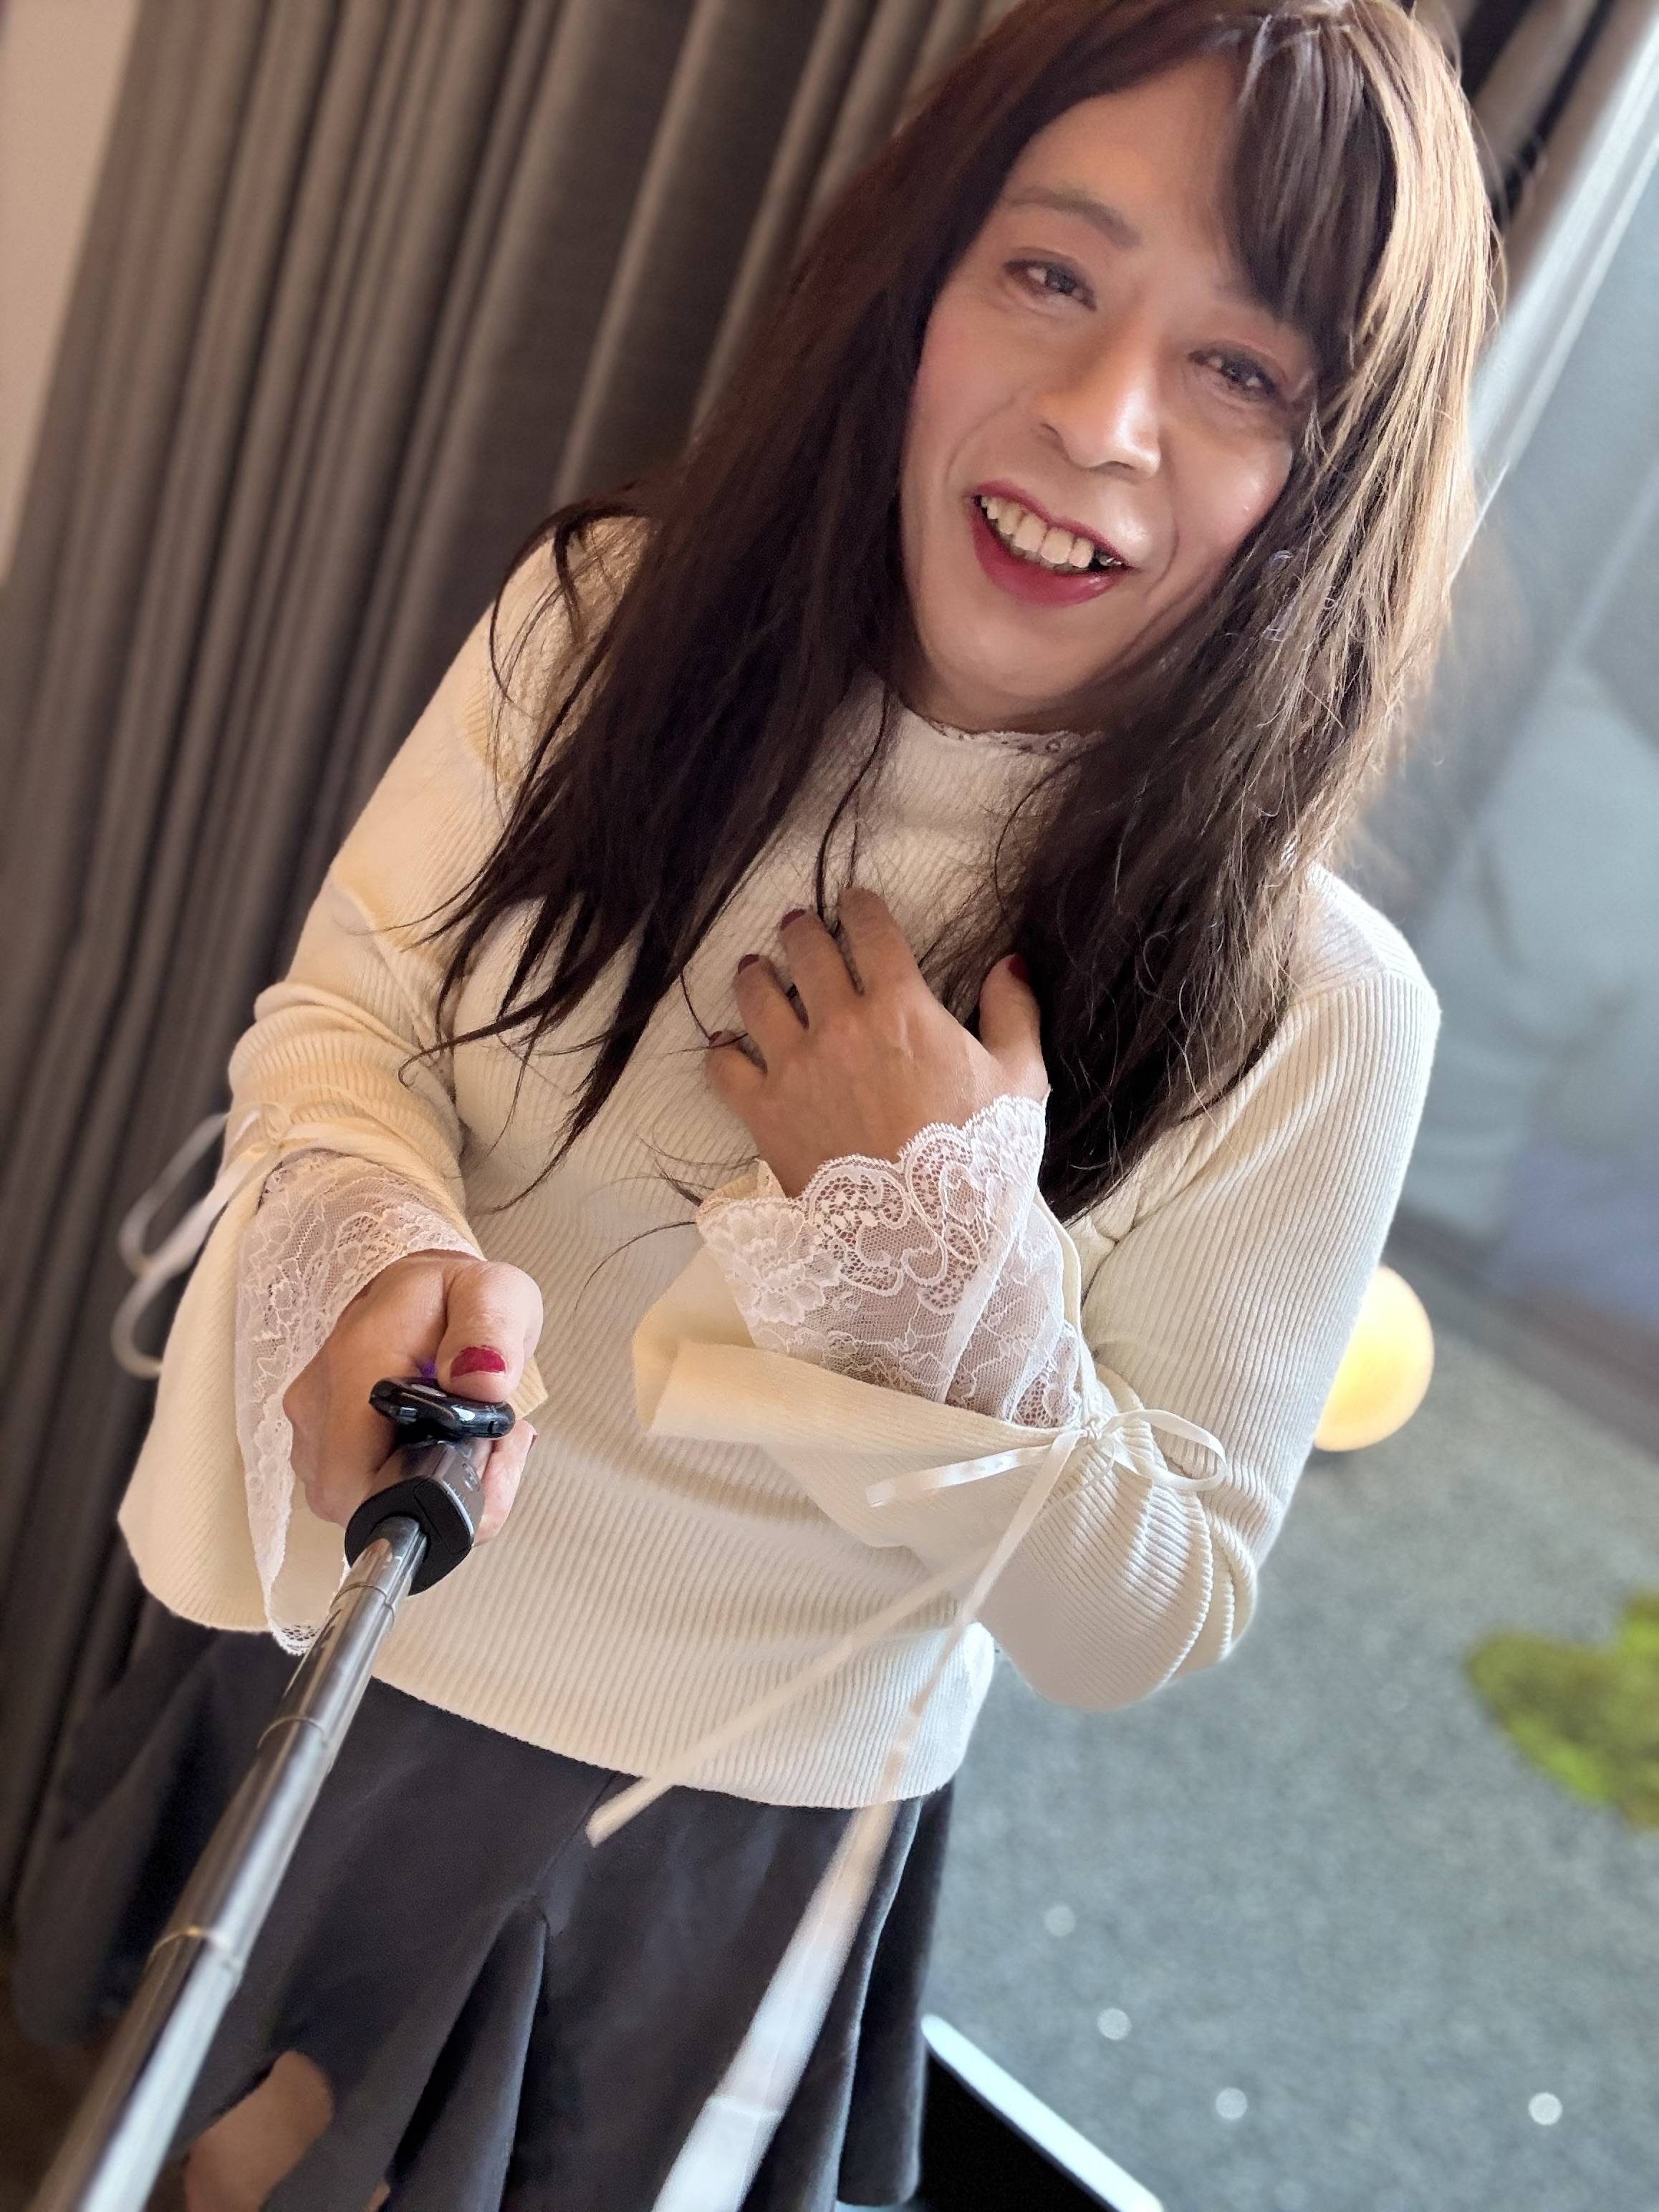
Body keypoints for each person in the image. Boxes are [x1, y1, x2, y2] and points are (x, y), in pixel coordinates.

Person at [14, 1, 1499, 2206]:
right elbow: (345, 1027)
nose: (1099, 415)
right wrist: (368, 1246)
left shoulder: (1319, 1007)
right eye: (1050, 272)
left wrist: (934, 1272)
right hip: (336, 1608)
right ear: (918, 277)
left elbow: (1148, 1608)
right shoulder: (601, 623)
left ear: (1335, 468)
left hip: (678, 1822)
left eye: (1240, 369)